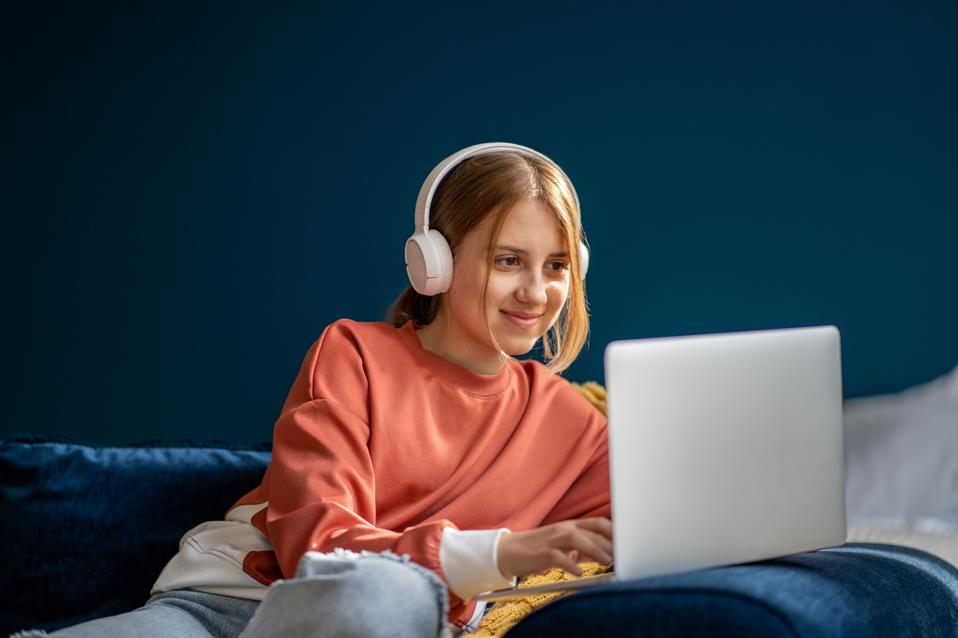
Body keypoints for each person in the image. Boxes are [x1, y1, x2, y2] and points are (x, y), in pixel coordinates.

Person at [13, 142, 613, 638]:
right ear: (436, 262)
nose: (536, 292)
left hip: (394, 619)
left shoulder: (573, 423)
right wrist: (499, 555)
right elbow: (320, 548)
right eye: (508, 260)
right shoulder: (354, 353)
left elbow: (649, 528)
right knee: (385, 589)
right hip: (228, 607)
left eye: (557, 266)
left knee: (399, 597)